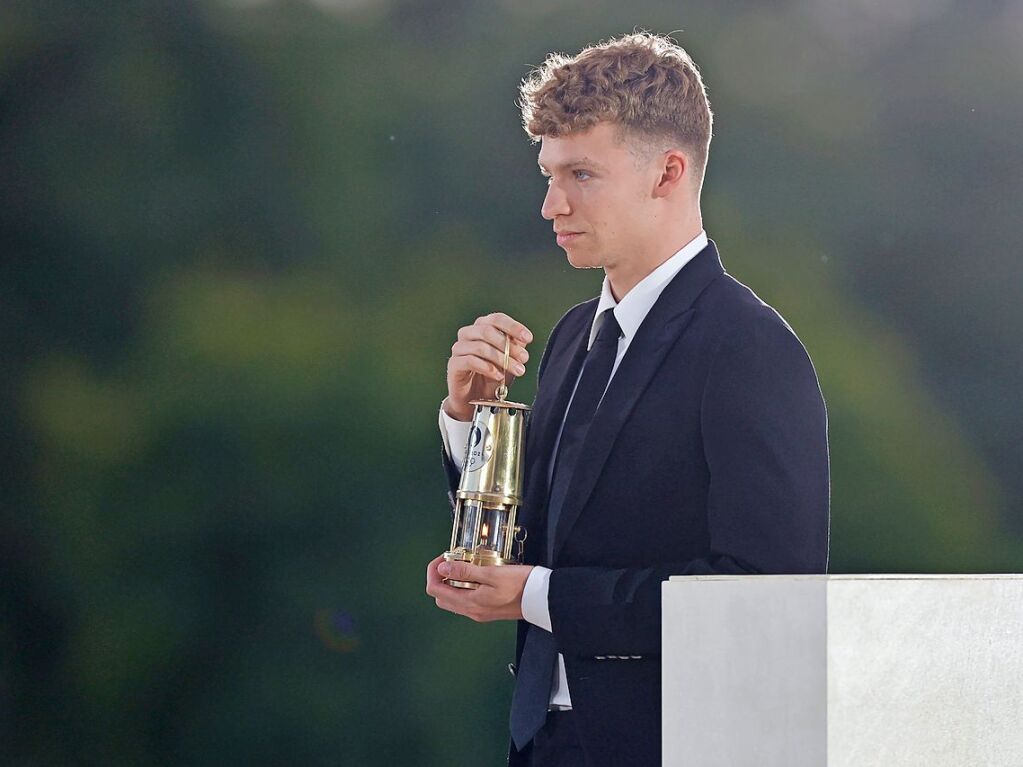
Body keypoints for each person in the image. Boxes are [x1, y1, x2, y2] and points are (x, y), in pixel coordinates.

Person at [425, 32, 829, 767]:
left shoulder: (749, 347)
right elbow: (537, 543)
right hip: (540, 742)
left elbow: (764, 598)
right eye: (548, 174)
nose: (551, 204)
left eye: (581, 174)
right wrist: (469, 422)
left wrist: (536, 596)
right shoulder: (575, 332)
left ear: (668, 171)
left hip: (677, 747)